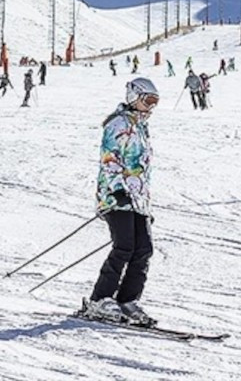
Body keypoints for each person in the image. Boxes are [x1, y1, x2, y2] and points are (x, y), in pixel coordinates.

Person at [80, 77, 159, 327]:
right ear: (134, 97)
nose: (152, 106)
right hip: (116, 196)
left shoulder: (141, 126)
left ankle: (127, 300)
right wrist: (117, 190)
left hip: (138, 200)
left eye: (155, 102)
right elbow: (110, 158)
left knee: (144, 249)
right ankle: (99, 299)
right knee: (124, 247)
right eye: (149, 100)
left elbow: (141, 168)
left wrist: (145, 204)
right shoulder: (118, 124)